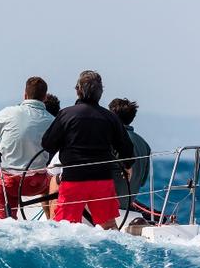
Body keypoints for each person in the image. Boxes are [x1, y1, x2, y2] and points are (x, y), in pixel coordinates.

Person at [42, 71, 135, 229]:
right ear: (101, 93)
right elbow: (126, 149)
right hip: (102, 180)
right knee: (109, 227)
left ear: (78, 90)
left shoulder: (66, 115)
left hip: (74, 180)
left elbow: (47, 144)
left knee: (65, 228)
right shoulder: (110, 118)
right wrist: (127, 166)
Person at [0, 77, 54, 219]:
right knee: (54, 179)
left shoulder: (9, 112)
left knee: (3, 218)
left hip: (10, 183)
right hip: (38, 183)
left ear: (25, 95)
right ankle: (52, 217)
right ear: (44, 97)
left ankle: (5, 219)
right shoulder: (52, 120)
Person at [108, 98, 151, 209]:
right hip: (127, 204)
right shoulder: (144, 145)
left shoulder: (110, 139)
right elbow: (142, 182)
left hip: (109, 202)